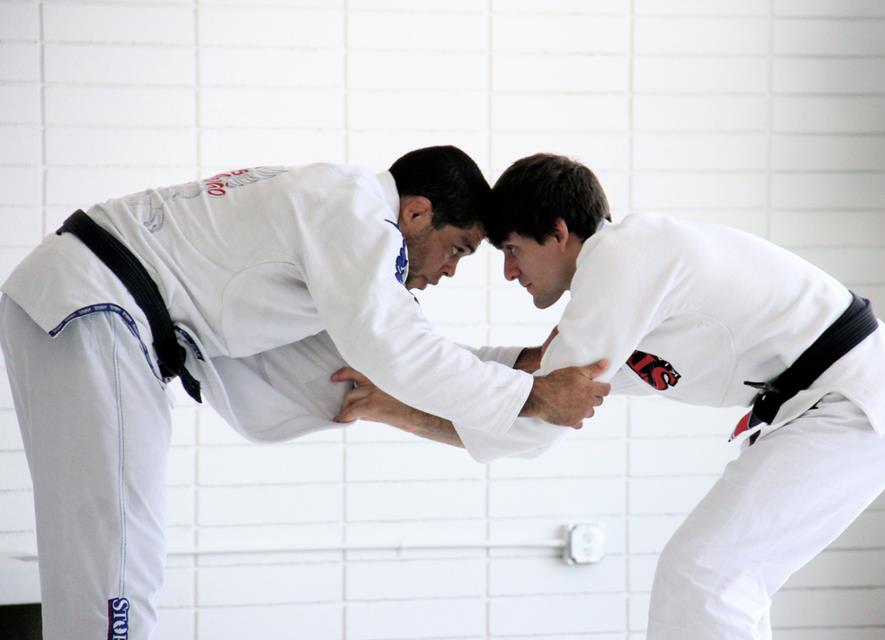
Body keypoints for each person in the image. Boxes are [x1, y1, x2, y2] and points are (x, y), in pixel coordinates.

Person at [0, 146, 611, 640]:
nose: (451, 270)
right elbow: (395, 349)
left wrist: (523, 369)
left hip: (77, 304)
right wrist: (534, 399)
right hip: (96, 306)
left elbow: (362, 364)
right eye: (459, 249)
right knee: (119, 556)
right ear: (418, 213)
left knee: (101, 554)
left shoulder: (333, 230)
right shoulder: (355, 215)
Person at [332, 153, 885, 639]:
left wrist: (399, 406)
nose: (510, 273)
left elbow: (532, 422)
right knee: (726, 580)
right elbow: (532, 385)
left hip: (856, 400)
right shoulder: (619, 288)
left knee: (705, 574)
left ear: (560, 233)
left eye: (512, 250)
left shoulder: (623, 259)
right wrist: (395, 390)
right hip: (842, 403)